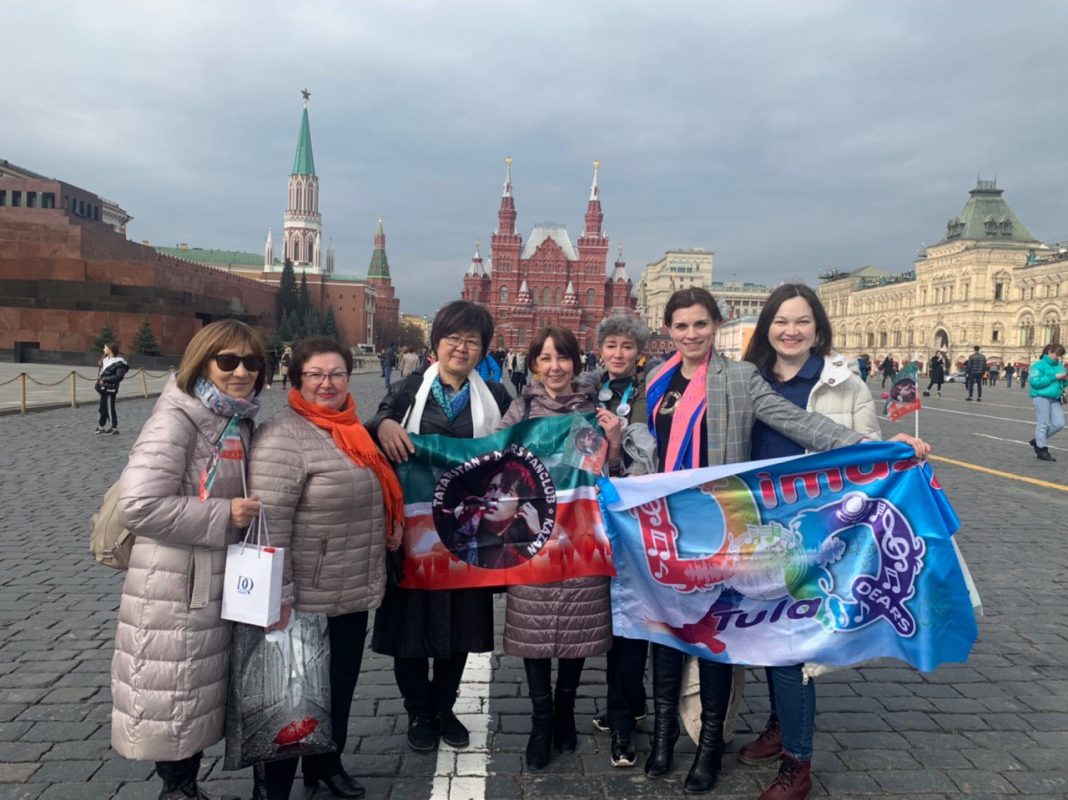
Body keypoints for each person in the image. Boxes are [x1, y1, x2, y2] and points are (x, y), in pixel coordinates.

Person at [640, 288, 927, 795]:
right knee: (665, 629)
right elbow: (648, 446)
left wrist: (879, 446)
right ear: (669, 330)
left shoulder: (739, 378)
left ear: (717, 325)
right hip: (667, 521)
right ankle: (663, 738)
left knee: (717, 632)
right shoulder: (656, 379)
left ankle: (711, 747)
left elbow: (803, 424)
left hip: (724, 525)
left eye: (701, 325)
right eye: (681, 326)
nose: (691, 334)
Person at [111, 319, 265, 800]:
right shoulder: (177, 417)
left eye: (251, 363)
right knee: (175, 689)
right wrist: (225, 514)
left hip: (208, 577)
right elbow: (137, 505)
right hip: (175, 584)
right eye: (228, 361)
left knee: (192, 691)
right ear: (203, 362)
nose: (241, 372)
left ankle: (186, 789)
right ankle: (177, 791)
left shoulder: (232, 416)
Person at [738, 283, 881, 800]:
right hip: (760, 527)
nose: (790, 331)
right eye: (780, 321)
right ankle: (780, 726)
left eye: (801, 321)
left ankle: (797, 764)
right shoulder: (745, 380)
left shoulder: (845, 385)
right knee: (763, 636)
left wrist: (894, 448)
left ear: (818, 328)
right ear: (766, 328)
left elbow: (868, 457)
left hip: (820, 532)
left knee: (790, 648)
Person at [247, 337, 404, 800]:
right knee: (289, 697)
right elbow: (269, 524)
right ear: (295, 379)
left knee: (338, 685)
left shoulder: (351, 428)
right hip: (302, 595)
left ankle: (326, 763)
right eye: (315, 374)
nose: (327, 383)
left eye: (336, 374)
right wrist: (282, 593)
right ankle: (273, 787)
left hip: (350, 585)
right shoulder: (282, 435)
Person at [368, 301, 512, 754]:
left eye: (472, 340)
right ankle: (417, 709)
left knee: (461, 625)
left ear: (482, 349)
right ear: (437, 343)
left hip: (469, 535)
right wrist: (384, 423)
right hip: (414, 534)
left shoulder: (496, 397)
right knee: (411, 626)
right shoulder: (409, 390)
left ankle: (444, 706)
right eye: (453, 337)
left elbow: (523, 447)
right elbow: (372, 429)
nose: (461, 347)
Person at [496, 325, 622, 771]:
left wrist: (615, 442)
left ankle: (565, 708)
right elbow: (494, 464)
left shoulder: (591, 412)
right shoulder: (519, 412)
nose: (554, 367)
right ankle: (541, 719)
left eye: (562, 357)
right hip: (531, 538)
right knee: (531, 630)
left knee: (577, 627)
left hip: (581, 537)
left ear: (576, 362)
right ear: (533, 365)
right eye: (545, 359)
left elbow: (598, 475)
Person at [584, 313, 653, 769]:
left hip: (640, 511)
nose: (618, 354)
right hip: (593, 514)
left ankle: (622, 723)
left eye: (627, 346)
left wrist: (618, 439)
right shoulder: (587, 390)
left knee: (633, 612)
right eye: (611, 345)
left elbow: (658, 452)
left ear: (637, 351)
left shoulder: (653, 391)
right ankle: (632, 699)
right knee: (609, 612)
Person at [1027, 343, 1068, 462]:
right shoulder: (1038, 365)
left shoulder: (1060, 366)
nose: (1059, 357)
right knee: (1043, 422)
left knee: (1059, 423)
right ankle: (1041, 449)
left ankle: (1037, 440)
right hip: (1041, 396)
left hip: (1055, 397)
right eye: (1058, 354)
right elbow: (1035, 382)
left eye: (1061, 355)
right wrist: (1054, 377)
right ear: (1050, 352)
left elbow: (1063, 383)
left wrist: (1065, 379)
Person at [95, 342, 129, 434]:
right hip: (103, 388)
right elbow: (101, 374)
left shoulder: (119, 362)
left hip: (111, 387)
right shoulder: (105, 360)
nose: (103, 349)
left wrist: (106, 379)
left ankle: (114, 427)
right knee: (102, 407)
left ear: (110, 349)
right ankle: (101, 426)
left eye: (105, 347)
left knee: (109, 407)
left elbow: (119, 377)